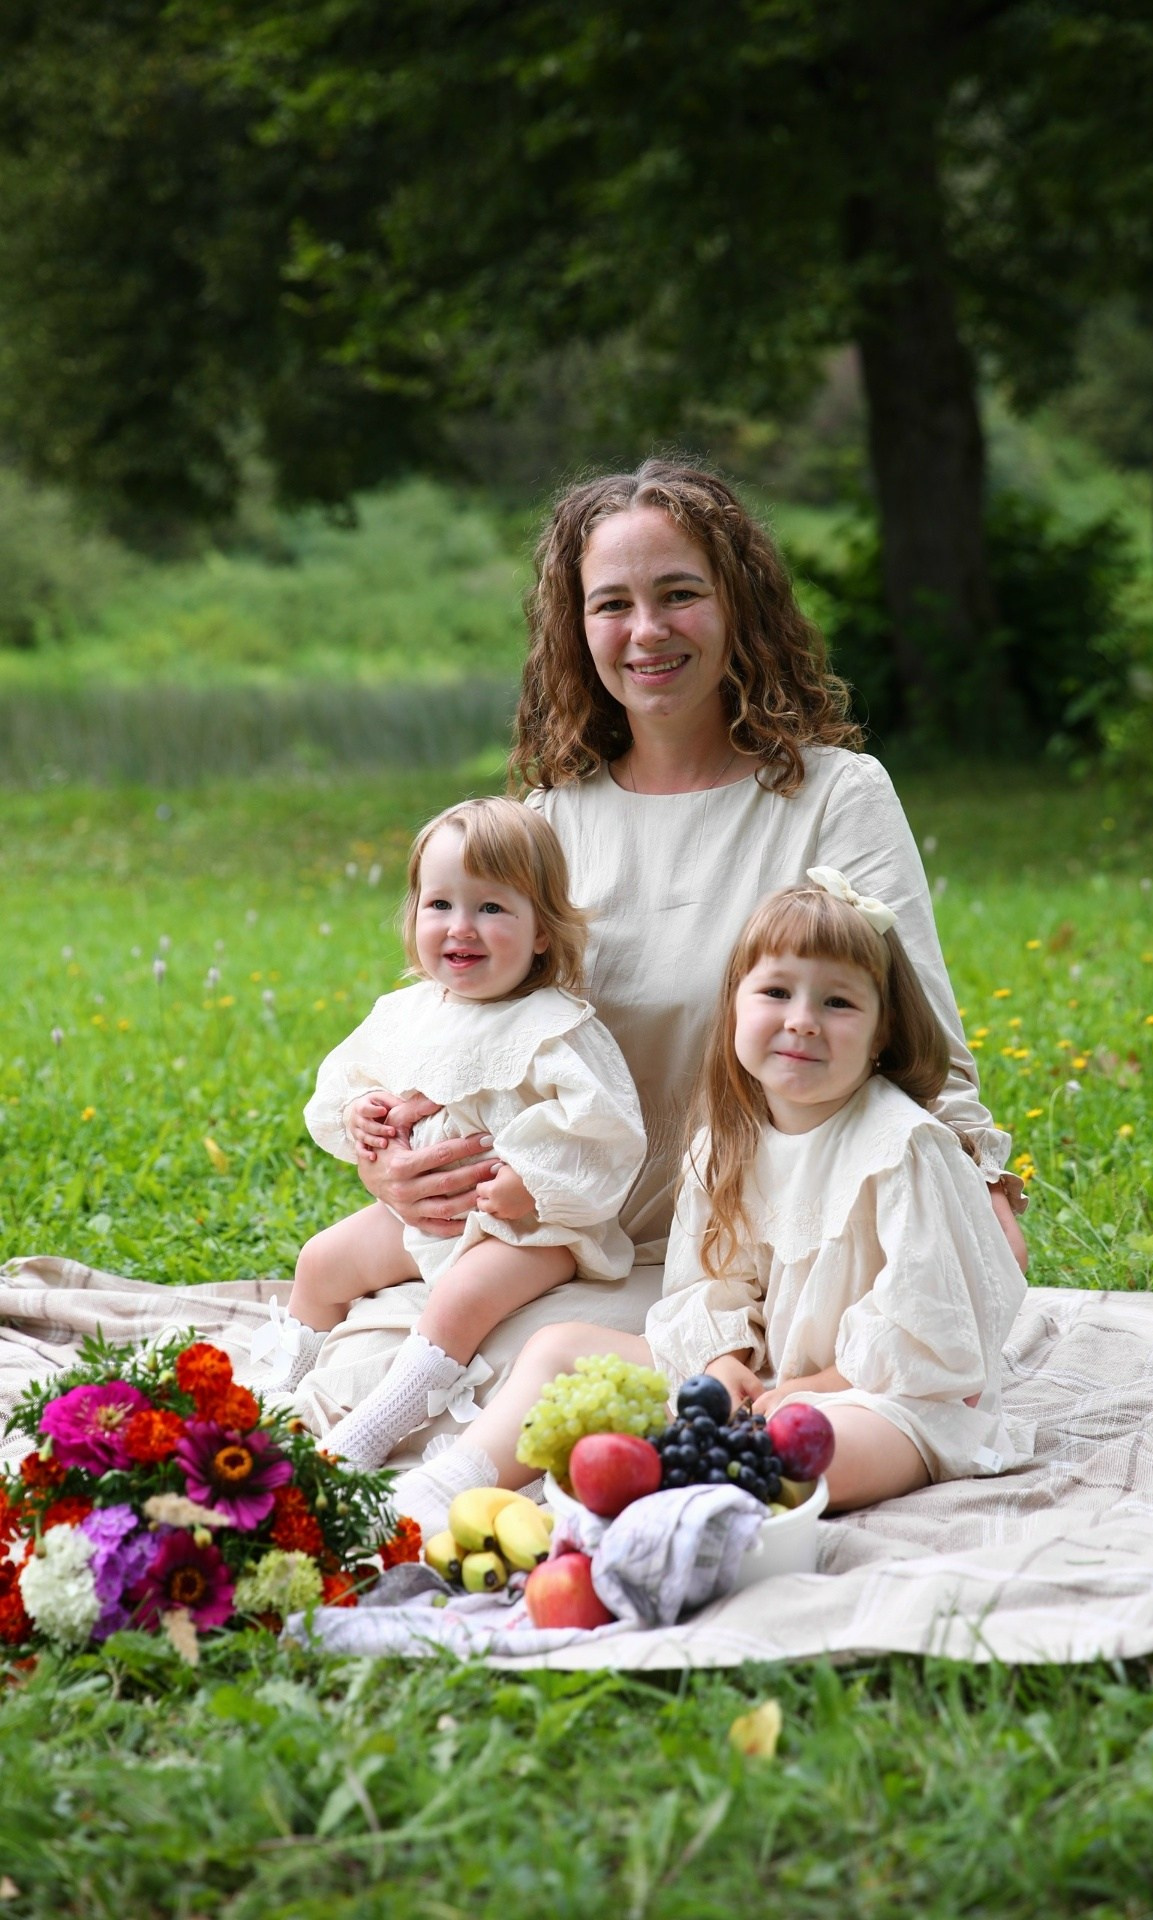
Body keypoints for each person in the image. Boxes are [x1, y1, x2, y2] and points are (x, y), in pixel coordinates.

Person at [343, 460, 1025, 1444]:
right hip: (570, 1236)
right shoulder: (549, 819)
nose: (647, 631)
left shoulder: (837, 797)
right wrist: (392, 1166)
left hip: (756, 1256)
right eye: (612, 604)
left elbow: (921, 1048)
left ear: (738, 605)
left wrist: (980, 1197)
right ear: (576, 628)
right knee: (443, 1354)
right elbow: (463, 1035)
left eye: (678, 595)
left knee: (549, 1384)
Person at [392, 870, 1031, 1529]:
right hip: (765, 1379)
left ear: (882, 1032)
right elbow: (712, 1282)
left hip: (887, 1398)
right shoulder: (726, 1144)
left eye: (838, 1003)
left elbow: (930, 1326)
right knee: (559, 1349)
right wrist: (723, 1359)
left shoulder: (903, 1148)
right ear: (734, 1008)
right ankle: (448, 1484)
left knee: (806, 1444)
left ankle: (657, 1503)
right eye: (776, 993)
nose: (802, 1021)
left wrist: (810, 1389)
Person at [255, 797, 646, 1469]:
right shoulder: (406, 1014)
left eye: (491, 908)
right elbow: (347, 1080)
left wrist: (530, 1183)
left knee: (463, 1298)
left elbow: (602, 1132)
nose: (461, 927)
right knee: (321, 1260)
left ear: (542, 930)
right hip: (423, 1218)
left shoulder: (555, 1028)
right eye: (440, 904)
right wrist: (360, 1113)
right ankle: (276, 1386)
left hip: (530, 1232)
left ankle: (378, 1424)